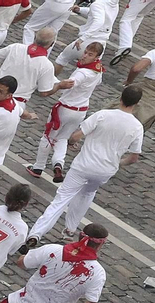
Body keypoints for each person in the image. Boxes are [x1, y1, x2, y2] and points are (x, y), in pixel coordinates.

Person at [25, 87, 143, 245]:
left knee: (61, 199)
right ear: (137, 103)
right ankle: (70, 229)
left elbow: (76, 135)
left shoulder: (102, 115)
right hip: (105, 170)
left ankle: (36, 234)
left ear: (121, 98)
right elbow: (134, 157)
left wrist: (72, 142)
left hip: (84, 165)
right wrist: (118, 163)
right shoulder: (137, 127)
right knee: (87, 195)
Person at [28, 43, 106, 182]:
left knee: (48, 136)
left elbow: (67, 86)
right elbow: (98, 82)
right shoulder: (98, 70)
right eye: (85, 52)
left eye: (90, 54)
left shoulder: (82, 72)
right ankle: (58, 164)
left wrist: (53, 80)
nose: (84, 56)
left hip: (65, 108)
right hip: (80, 111)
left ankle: (38, 166)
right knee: (63, 138)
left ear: (96, 57)